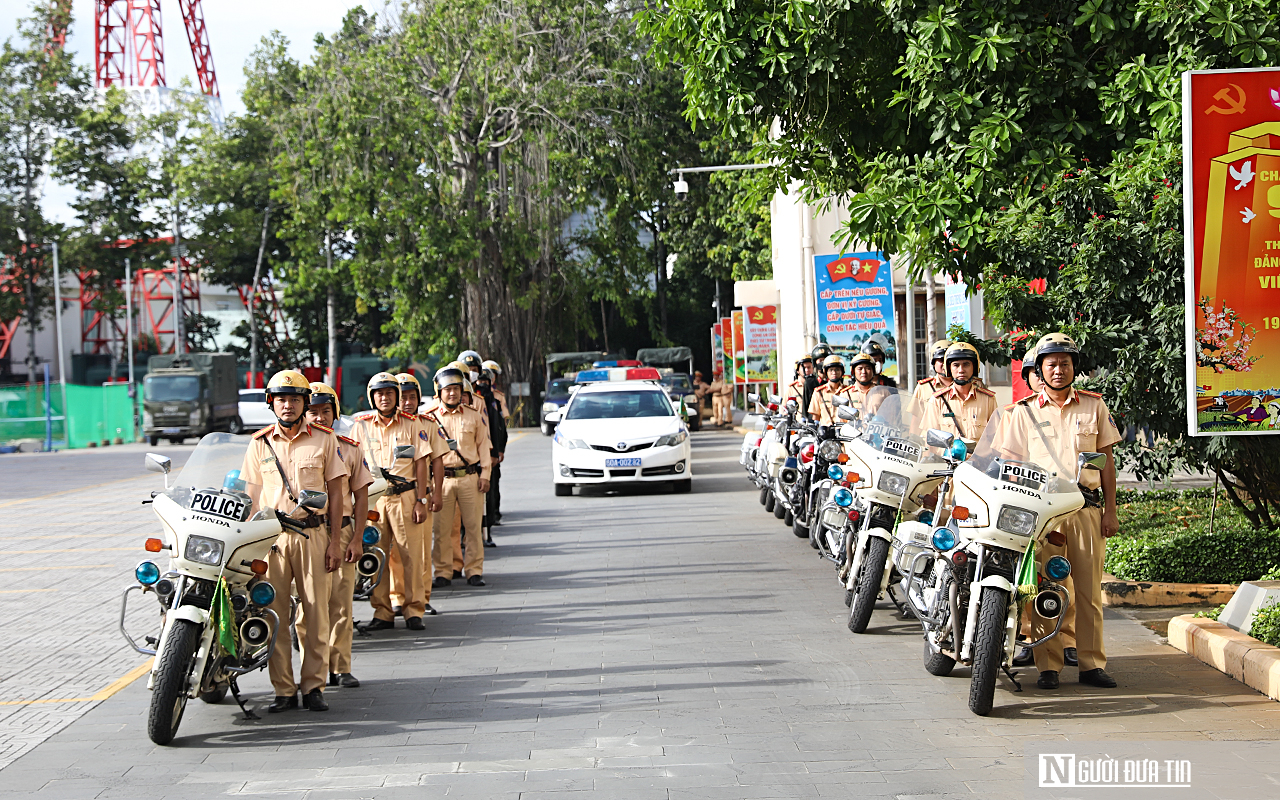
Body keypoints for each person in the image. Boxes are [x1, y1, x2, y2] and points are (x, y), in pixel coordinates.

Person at [992, 332, 1121, 690]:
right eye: (1052, 364)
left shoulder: (1094, 406)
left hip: (1085, 508)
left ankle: (1091, 664)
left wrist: (1110, 511)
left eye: (1065, 363)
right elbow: (1010, 464)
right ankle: (1047, 666)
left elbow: (1107, 463)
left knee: (1088, 592)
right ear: (1040, 370)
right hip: (1041, 513)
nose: (1059, 370)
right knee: (1042, 589)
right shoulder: (1022, 413)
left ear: (1074, 368)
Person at [239, 370, 347, 713]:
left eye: (295, 400)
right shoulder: (259, 443)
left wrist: (333, 543)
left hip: (313, 534)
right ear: (272, 403)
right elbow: (251, 498)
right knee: (273, 614)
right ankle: (283, 690)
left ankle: (314, 686)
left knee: (316, 613)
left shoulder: (324, 440)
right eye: (282, 399)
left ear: (305, 404)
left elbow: (337, 494)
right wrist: (248, 545)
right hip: (271, 539)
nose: (288, 405)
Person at [353, 372, 445, 631]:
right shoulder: (360, 426)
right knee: (376, 557)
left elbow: (421, 463)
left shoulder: (412, 424)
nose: (385, 398)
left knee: (411, 556)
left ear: (397, 396)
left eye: (390, 393)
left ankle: (414, 609)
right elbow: (351, 465)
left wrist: (421, 500)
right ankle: (382, 612)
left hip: (405, 497)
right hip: (373, 502)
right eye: (380, 393)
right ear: (372, 397)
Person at [296, 382, 372, 690]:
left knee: (341, 602)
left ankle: (341, 666)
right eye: (311, 411)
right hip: (306, 534)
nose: (318, 417)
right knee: (306, 606)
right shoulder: (295, 449)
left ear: (335, 413)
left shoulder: (350, 448)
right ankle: (311, 668)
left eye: (325, 411)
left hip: (340, 530)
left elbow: (362, 497)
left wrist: (356, 539)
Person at [431, 366, 493, 587]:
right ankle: (443, 572)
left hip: (470, 478)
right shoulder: (430, 419)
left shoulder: (473, 416)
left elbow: (484, 447)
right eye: (448, 389)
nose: (452, 393)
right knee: (441, 529)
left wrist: (485, 474)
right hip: (442, 481)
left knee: (474, 528)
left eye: (456, 389)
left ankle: (474, 570)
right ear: (439, 392)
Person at [919, 343, 998, 446]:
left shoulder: (988, 400)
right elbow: (929, 439)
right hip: (947, 460)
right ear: (949, 369)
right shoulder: (937, 400)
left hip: (978, 461)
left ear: (974, 367)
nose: (961, 370)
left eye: (966, 364)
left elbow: (996, 438)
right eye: (956, 365)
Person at [475, 368, 508, 546]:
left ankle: (488, 527)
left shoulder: (488, 400)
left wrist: (496, 451)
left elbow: (496, 427)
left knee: (489, 492)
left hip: (485, 454)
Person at [907, 339, 952, 417]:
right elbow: (916, 419)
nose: (945, 364)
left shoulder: (965, 386)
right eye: (941, 360)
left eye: (949, 361)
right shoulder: (924, 387)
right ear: (933, 363)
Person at [807, 355, 854, 425]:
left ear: (842, 371)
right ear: (826, 372)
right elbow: (815, 418)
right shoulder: (819, 392)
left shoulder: (848, 392)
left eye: (837, 369)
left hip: (844, 432)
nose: (834, 372)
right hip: (826, 432)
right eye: (831, 370)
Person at [804, 343, 833, 415]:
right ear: (815, 363)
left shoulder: (834, 382)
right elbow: (805, 407)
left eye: (825, 360)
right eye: (820, 360)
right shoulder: (809, 382)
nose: (823, 363)